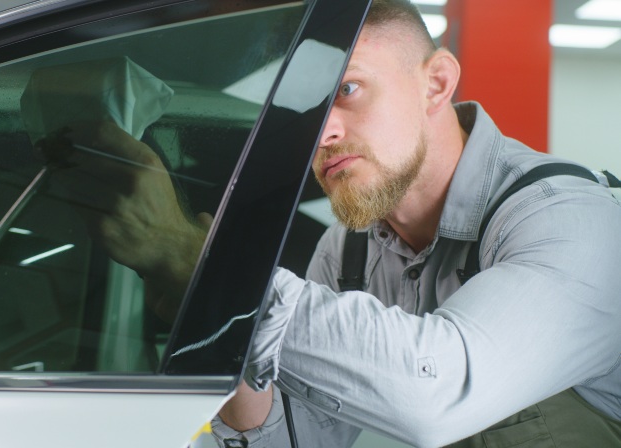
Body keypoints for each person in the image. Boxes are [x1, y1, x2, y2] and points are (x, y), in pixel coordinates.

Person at [35, 0, 621, 446]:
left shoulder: (569, 218)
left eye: (348, 89)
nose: (320, 133)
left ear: (436, 84)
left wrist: (197, 259)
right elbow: (300, 436)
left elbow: (438, 391)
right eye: (308, 110)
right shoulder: (348, 251)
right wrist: (214, 311)